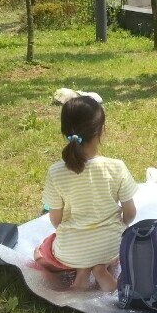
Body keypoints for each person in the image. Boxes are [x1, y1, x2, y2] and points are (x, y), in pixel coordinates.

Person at [34, 95, 138, 291]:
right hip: (113, 247)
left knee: (40, 251)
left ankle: (82, 272)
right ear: (101, 130)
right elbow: (130, 213)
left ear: (65, 132)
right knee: (106, 251)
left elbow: (56, 220)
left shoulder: (56, 172)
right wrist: (119, 226)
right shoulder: (116, 167)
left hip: (71, 252)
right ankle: (100, 269)